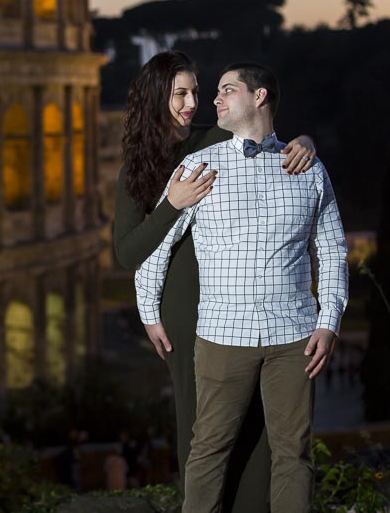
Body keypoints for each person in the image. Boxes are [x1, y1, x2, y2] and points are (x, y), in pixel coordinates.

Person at [135, 62, 349, 513]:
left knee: (294, 454)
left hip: (294, 340)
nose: (213, 99)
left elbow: (331, 253)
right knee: (208, 452)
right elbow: (158, 242)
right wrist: (149, 313)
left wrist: (328, 323)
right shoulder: (198, 167)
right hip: (222, 337)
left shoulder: (308, 170)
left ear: (260, 96)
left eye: (226, 90)